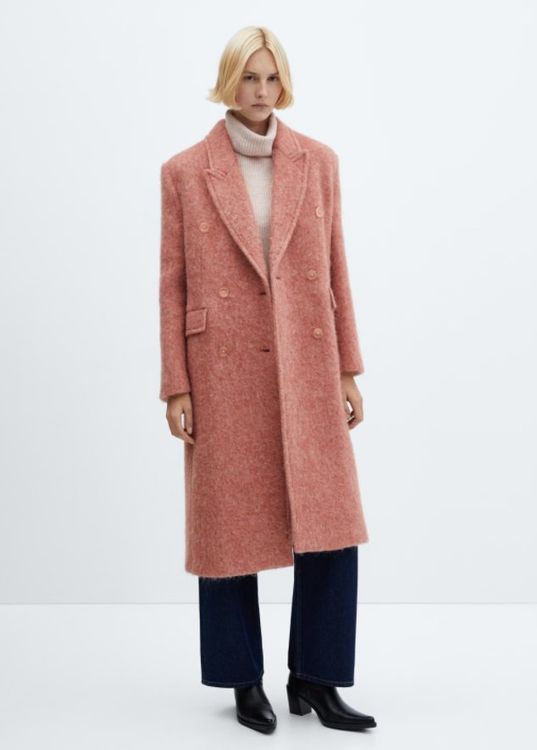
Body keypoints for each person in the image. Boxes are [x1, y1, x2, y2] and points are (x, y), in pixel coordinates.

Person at [159, 26, 377, 734]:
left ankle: (317, 678)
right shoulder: (185, 171)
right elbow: (172, 285)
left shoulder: (318, 161)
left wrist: (347, 369)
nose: (261, 91)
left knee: (330, 523)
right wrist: (176, 384)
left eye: (271, 77)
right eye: (249, 78)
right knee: (227, 527)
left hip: (307, 361)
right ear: (229, 82)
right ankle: (242, 680)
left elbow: (337, 269)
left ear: (284, 82)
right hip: (221, 370)